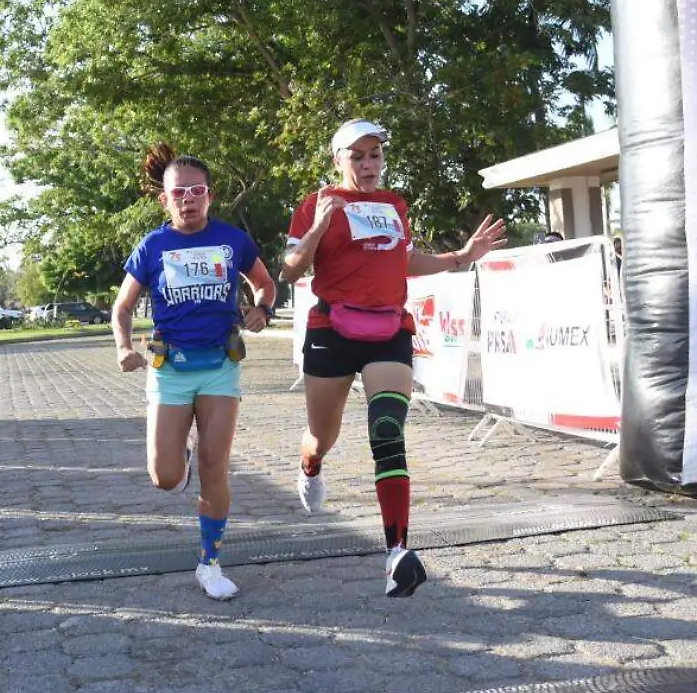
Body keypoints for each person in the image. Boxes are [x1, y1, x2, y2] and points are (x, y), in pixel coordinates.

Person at [282, 120, 507, 597]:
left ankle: (396, 553)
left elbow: (401, 258)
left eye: (375, 155)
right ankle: (310, 465)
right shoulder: (314, 203)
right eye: (358, 156)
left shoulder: (394, 205)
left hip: (388, 329)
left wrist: (459, 257)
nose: (368, 164)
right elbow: (290, 268)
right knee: (322, 436)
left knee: (386, 429)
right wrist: (322, 222)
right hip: (332, 328)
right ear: (338, 159)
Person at [112, 144, 277, 601]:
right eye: (179, 192)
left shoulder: (232, 242)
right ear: (165, 199)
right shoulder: (153, 246)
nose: (188, 198)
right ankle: (176, 459)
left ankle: (210, 562)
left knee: (215, 465)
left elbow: (265, 283)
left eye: (197, 190)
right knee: (165, 478)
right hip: (170, 370)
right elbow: (122, 307)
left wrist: (262, 308)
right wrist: (124, 346)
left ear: (210, 196)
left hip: (220, 368)